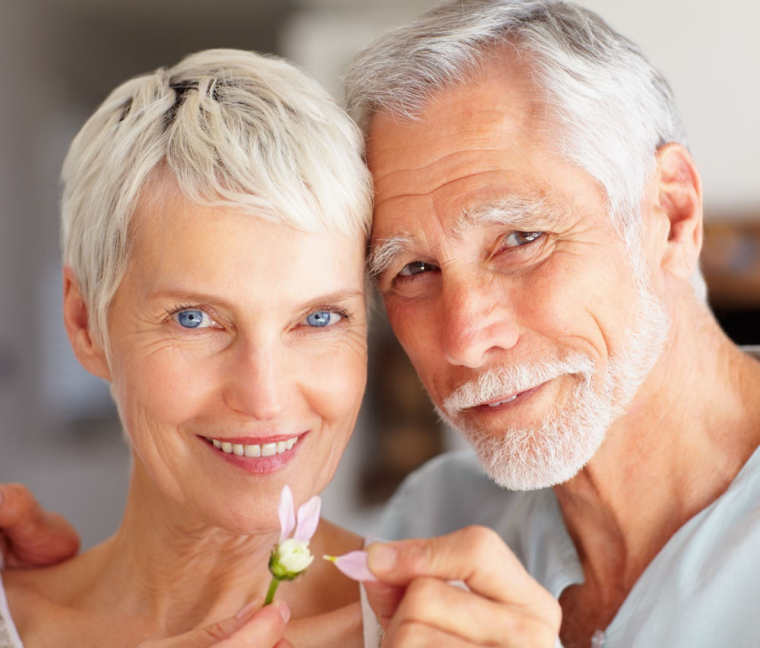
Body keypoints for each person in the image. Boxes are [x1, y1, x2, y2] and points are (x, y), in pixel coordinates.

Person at [5, 1, 760, 646]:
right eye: (413, 271)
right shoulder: (434, 522)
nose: (463, 338)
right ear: (84, 324)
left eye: (520, 240)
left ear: (673, 212)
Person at [0, 47, 377, 647]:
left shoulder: (443, 631)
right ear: (84, 324)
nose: (264, 396)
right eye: (195, 319)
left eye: (320, 317)